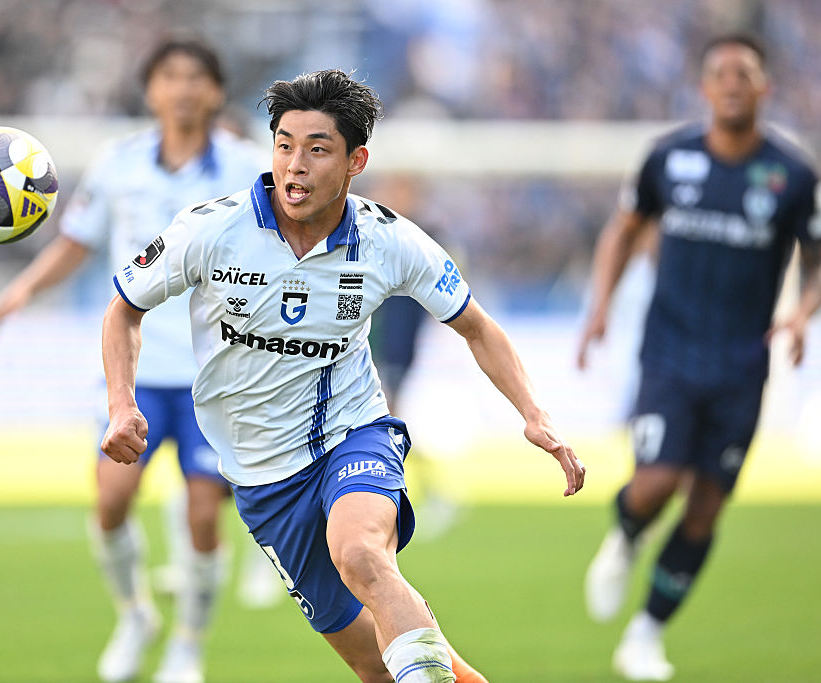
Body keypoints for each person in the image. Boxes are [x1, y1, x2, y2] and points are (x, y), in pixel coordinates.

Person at [101, 68, 585, 683]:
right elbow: (124, 309)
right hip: (262, 480)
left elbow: (478, 327)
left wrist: (535, 416)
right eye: (284, 145)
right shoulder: (211, 229)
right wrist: (121, 403)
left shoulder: (389, 240)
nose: (295, 165)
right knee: (375, 666)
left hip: (352, 436)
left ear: (356, 161)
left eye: (317, 149)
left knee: (361, 554)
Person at [0, 38, 265, 683]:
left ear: (217, 92)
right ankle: (136, 613)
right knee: (111, 500)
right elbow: (77, 240)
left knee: (203, 514)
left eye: (196, 77)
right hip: (132, 370)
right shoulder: (119, 164)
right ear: (151, 91)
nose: (183, 88)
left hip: (215, 376)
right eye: (170, 76)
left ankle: (189, 644)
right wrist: (24, 288)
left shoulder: (248, 168)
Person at [577, 33, 821, 682]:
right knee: (656, 483)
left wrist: (803, 311)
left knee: (707, 505)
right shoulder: (669, 158)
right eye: (722, 72)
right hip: (670, 354)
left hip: (743, 366)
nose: (733, 82)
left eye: (746, 72)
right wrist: (600, 306)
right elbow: (624, 229)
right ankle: (627, 532)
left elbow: (818, 255)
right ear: (706, 88)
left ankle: (645, 634)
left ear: (765, 87)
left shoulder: (794, 176)